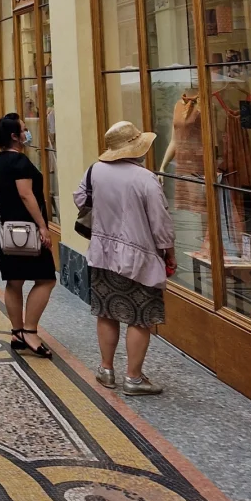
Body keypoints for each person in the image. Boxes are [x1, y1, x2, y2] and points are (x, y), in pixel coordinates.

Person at [76, 120, 177, 395]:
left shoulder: (95, 170)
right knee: (140, 317)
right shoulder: (145, 179)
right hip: (139, 258)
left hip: (102, 252)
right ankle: (133, 378)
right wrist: (169, 252)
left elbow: (79, 198)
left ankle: (106, 369)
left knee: (107, 311)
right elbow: (161, 224)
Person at [0, 114, 57, 358]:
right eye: (24, 129)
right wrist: (43, 226)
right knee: (46, 279)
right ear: (14, 136)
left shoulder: (1, 160)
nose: (27, 132)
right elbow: (26, 195)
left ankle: (17, 332)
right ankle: (30, 331)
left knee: (14, 280)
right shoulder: (20, 162)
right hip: (27, 233)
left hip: (7, 231)